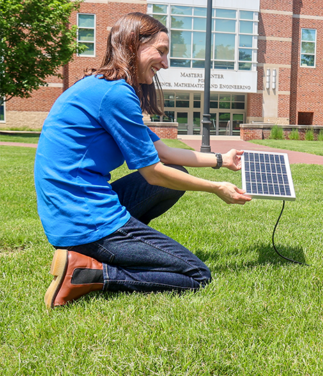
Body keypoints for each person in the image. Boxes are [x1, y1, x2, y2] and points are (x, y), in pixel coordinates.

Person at [35, 13, 251, 309]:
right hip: (85, 220)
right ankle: (88, 273)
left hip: (68, 215)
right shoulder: (116, 94)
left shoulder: (102, 86)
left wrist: (221, 159)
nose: (165, 63)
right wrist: (216, 188)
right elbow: (153, 173)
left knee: (176, 173)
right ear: (133, 45)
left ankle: (113, 251)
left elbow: (164, 153)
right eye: (161, 51)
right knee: (197, 274)